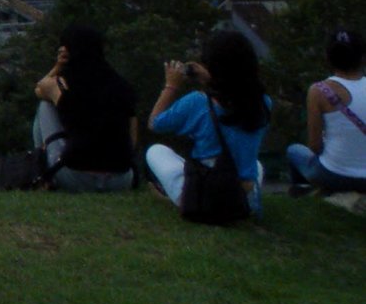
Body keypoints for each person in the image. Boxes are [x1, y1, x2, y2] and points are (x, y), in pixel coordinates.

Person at [144, 29, 271, 219]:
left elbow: (155, 123)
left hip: (203, 197)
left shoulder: (198, 102)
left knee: (155, 151)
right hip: (241, 196)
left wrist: (171, 86)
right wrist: (209, 79)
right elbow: (230, 98)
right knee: (256, 165)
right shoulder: (263, 103)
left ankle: (173, 196)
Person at [30, 24, 137, 192]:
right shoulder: (123, 86)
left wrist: (58, 65)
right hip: (121, 179)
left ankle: (40, 174)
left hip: (75, 177)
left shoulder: (63, 84)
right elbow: (132, 138)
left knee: (44, 105)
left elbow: (40, 88)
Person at [286, 28, 366, 196]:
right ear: (362, 57)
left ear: (328, 58)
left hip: (335, 175)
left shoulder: (319, 91)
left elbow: (314, 146)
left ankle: (302, 193)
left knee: (293, 150)